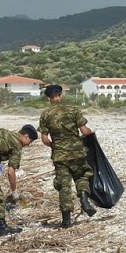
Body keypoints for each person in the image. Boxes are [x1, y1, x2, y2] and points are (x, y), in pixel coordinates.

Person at [37, 84, 95, 228]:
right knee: (81, 176)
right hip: (77, 152)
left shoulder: (45, 115)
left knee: (64, 186)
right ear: (61, 95)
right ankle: (83, 196)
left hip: (59, 156)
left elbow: (44, 140)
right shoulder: (73, 110)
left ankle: (66, 220)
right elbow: (85, 131)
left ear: (48, 99)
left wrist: (55, 146)